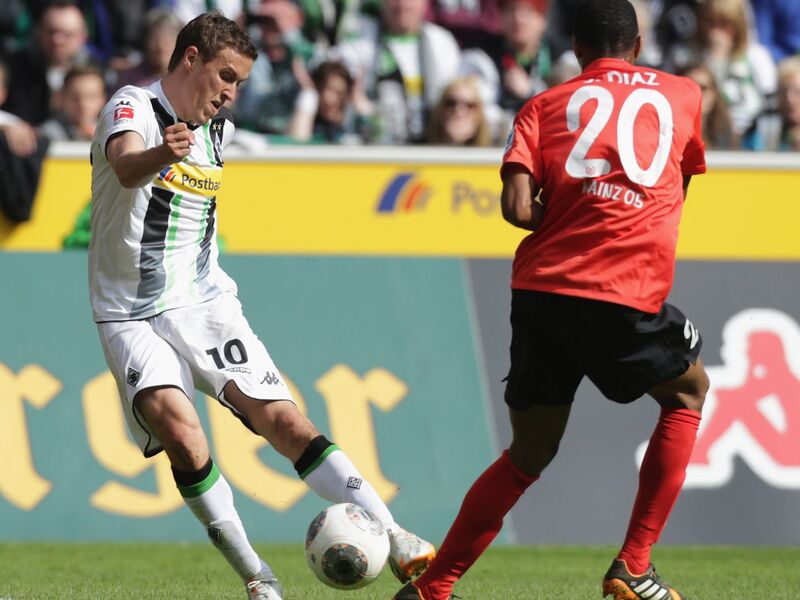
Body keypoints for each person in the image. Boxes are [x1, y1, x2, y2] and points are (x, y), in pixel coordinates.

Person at [88, 12, 434, 600]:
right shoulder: (133, 106)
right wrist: (161, 154)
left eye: (241, 83)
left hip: (202, 301)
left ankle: (398, 537)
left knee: (287, 422)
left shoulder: (214, 129)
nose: (231, 92)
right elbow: (124, 166)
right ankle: (259, 577)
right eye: (225, 75)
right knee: (182, 434)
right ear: (191, 58)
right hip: (130, 313)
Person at [394, 1, 709, 599]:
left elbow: (517, 209)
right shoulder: (684, 95)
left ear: (576, 48)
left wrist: (567, 215)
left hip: (543, 292)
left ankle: (432, 589)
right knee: (688, 393)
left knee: (528, 453)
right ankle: (633, 565)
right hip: (623, 289)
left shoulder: (540, 106)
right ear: (638, 46)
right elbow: (677, 184)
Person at [41, 65, 107, 141]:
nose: (83, 104)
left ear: (103, 99)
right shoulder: (47, 134)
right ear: (62, 98)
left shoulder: (110, 133)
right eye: (75, 97)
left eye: (91, 96)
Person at [425, 76, 493, 146]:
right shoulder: (418, 147)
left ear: (479, 114)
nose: (459, 110)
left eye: (469, 105)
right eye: (451, 103)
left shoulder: (495, 151)